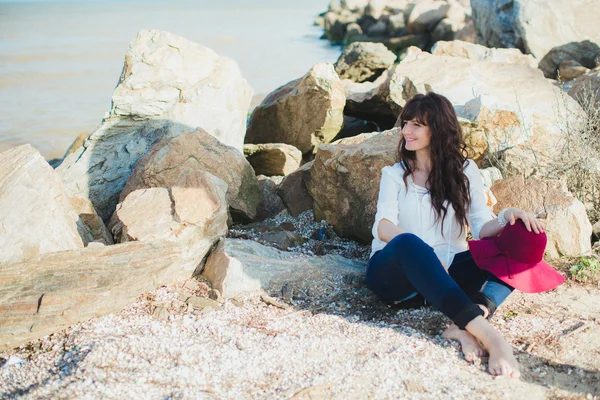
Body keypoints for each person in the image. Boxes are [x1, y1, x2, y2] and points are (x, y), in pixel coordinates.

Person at [367, 92, 549, 379]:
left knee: (525, 238)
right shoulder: (393, 174)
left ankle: (462, 324)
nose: (406, 132)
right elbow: (383, 226)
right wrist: (422, 253)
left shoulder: (465, 171)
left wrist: (507, 217)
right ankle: (492, 337)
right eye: (406, 123)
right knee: (409, 243)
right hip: (397, 276)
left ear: (437, 129)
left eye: (416, 125)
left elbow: (480, 226)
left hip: (450, 271)